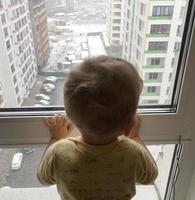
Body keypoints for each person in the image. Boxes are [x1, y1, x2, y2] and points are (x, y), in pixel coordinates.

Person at [37, 55, 158, 200]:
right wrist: (135, 136)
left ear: (71, 119)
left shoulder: (59, 152)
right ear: (129, 126)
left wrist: (56, 137)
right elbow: (150, 176)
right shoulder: (133, 152)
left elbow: (43, 178)